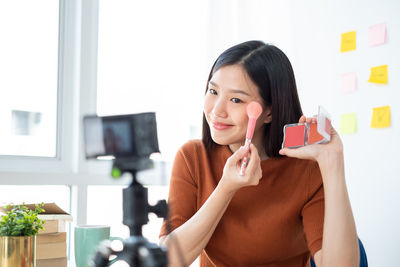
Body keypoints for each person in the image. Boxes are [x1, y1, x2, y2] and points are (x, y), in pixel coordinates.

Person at [159, 40, 359, 267]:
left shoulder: (306, 169)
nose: (216, 110)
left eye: (236, 99)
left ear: (269, 112)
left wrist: (333, 163)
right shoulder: (192, 157)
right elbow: (168, 262)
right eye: (213, 91)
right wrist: (226, 188)